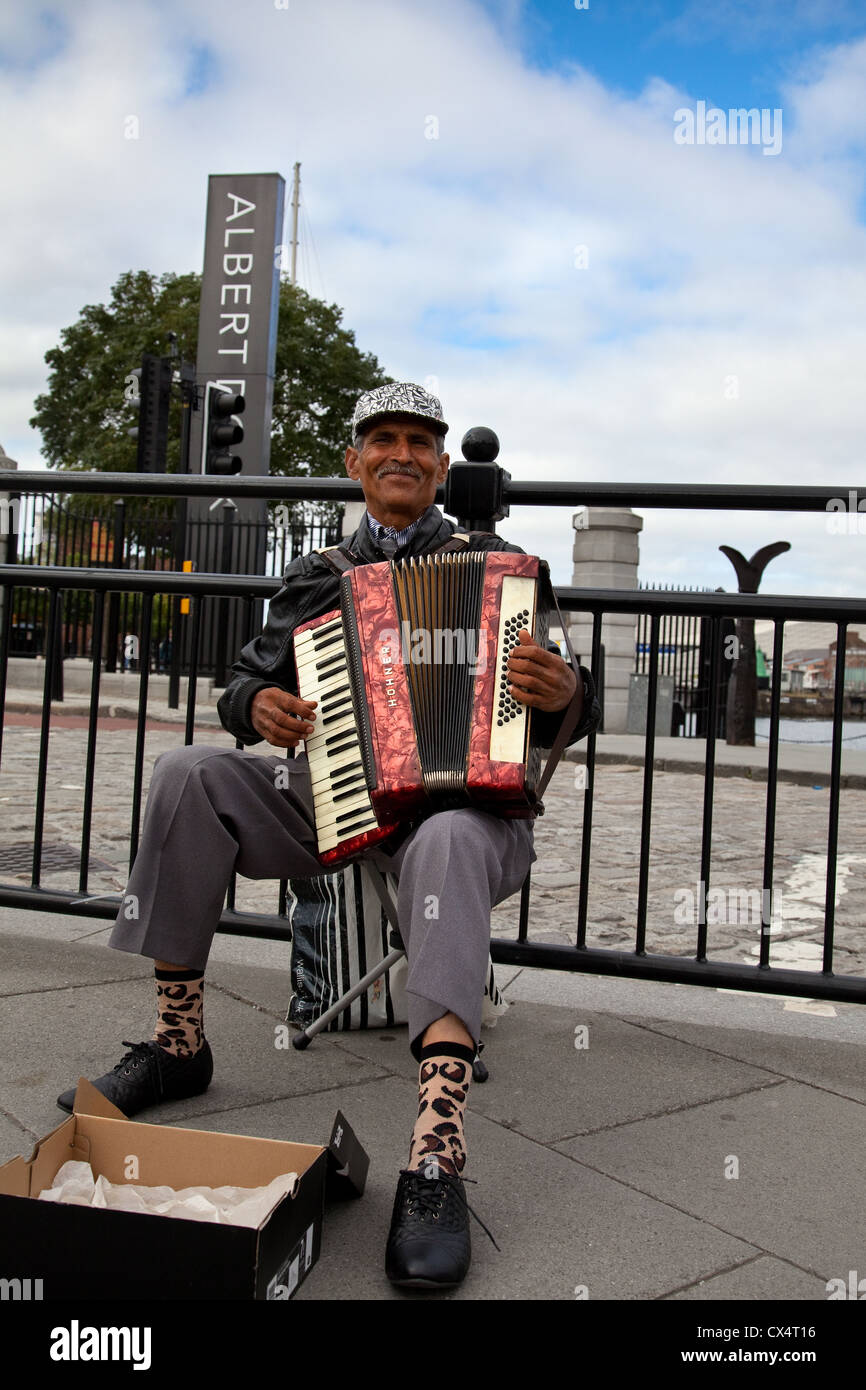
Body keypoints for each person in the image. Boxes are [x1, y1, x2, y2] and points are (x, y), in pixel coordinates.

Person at [57, 383, 600, 1290]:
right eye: (382, 440)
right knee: (188, 774)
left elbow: (572, 696)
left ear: (439, 465)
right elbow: (242, 684)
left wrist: (562, 693)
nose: (402, 454)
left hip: (468, 818)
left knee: (450, 838)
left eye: (420, 443)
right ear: (354, 462)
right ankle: (179, 1042)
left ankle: (435, 1155)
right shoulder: (316, 576)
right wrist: (255, 705)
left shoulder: (504, 567)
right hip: (337, 800)